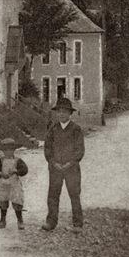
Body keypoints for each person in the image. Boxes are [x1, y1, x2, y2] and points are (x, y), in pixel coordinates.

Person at [41, 98, 85, 231]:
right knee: (53, 195)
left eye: (65, 112)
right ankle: (51, 222)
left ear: (70, 114)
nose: (61, 114)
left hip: (71, 169)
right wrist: (53, 162)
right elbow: (47, 149)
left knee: (74, 194)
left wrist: (69, 163)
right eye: (59, 111)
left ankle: (77, 224)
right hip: (55, 169)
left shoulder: (76, 129)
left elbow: (80, 150)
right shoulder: (53, 129)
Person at [0, 138, 29, 229]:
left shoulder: (18, 160)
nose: (8, 152)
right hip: (3, 183)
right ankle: (2, 220)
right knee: (3, 201)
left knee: (17, 201)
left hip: (14, 184)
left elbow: (25, 170)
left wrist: (16, 171)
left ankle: (20, 220)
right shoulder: (0, 160)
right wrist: (0, 173)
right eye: (6, 150)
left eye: (10, 150)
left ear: (14, 150)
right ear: (3, 151)